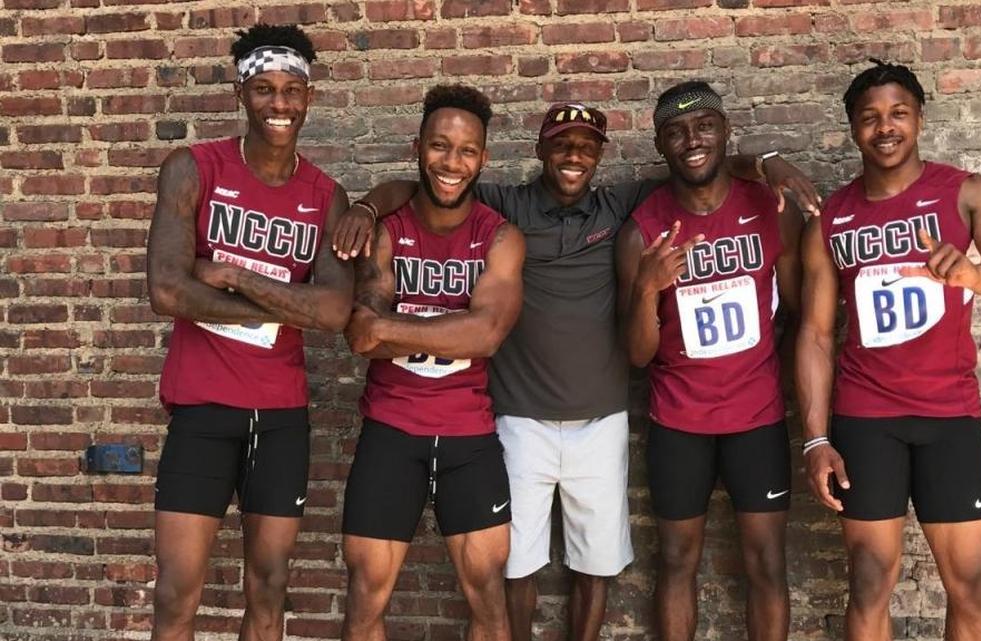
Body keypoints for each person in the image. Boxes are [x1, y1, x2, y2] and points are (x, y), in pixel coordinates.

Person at [331, 104, 819, 641]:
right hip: (518, 416)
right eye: (561, 144)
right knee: (515, 567)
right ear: (538, 149)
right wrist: (366, 206)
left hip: (601, 416)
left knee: (596, 563)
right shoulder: (502, 203)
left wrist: (768, 162)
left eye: (587, 146)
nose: (574, 156)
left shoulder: (621, 204)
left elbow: (700, 165)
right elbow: (421, 184)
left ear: (601, 156)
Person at [796, 60, 981, 641]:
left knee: (974, 583)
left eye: (898, 113)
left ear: (920, 119)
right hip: (866, 418)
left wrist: (972, 275)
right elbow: (815, 334)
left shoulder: (968, 194)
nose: (886, 127)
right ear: (853, 128)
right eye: (870, 117)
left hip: (949, 413)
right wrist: (815, 437)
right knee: (870, 580)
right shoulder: (831, 219)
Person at [145, 24, 353, 641]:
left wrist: (233, 276)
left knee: (269, 589)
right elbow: (166, 290)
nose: (279, 103)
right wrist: (294, 305)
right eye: (263, 88)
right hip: (203, 408)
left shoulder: (326, 195)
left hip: (280, 414)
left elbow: (336, 312)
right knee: (176, 593)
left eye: (292, 90)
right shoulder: (193, 168)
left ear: (309, 98)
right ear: (241, 92)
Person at [616, 80, 804, 641]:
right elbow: (636, 354)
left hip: (758, 418)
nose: (691, 141)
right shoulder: (641, 231)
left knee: (767, 563)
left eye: (702, 127)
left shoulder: (770, 209)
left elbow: (801, 312)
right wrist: (648, 287)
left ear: (725, 132)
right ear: (660, 145)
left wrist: (778, 380)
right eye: (674, 132)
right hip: (679, 422)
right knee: (676, 562)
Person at [339, 84, 526, 641]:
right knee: (365, 598)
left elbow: (487, 333)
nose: (453, 162)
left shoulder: (500, 237)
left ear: (483, 159)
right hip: (391, 428)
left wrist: (392, 327)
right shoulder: (385, 232)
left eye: (467, 151)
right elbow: (358, 337)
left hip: (469, 434)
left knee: (489, 599)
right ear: (417, 147)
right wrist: (452, 329)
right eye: (440, 146)